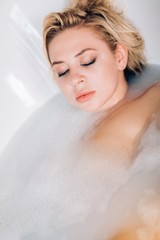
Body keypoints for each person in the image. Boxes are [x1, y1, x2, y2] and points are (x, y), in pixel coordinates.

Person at [43, 0, 160, 238]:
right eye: (62, 71)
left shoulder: (153, 99)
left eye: (87, 61)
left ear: (119, 57)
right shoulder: (64, 130)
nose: (75, 79)